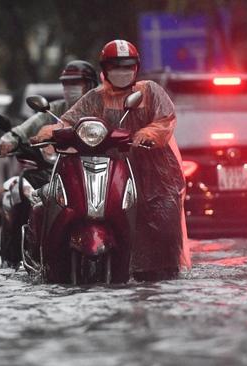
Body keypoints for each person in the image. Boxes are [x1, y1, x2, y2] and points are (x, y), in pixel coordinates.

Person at [32, 40, 191, 281]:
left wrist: (148, 133)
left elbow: (165, 120)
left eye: (127, 66)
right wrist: (51, 131)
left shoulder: (149, 91)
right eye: (115, 66)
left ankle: (163, 275)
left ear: (136, 68)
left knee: (162, 228)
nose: (122, 72)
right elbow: (70, 120)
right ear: (105, 69)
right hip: (114, 171)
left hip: (156, 174)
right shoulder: (95, 97)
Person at [0, 60, 98, 267]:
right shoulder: (54, 110)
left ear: (91, 85)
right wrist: (9, 140)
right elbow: (25, 129)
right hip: (53, 172)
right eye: (66, 84)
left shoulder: (100, 109)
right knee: (21, 192)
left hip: (93, 172)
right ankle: (13, 258)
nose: (70, 89)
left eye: (76, 83)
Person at [0, 60, 99, 156]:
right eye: (65, 83)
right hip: (61, 162)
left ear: (90, 85)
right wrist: (12, 138)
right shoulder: (56, 108)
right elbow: (31, 125)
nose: (68, 88)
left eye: (74, 83)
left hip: (100, 162)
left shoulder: (104, 108)